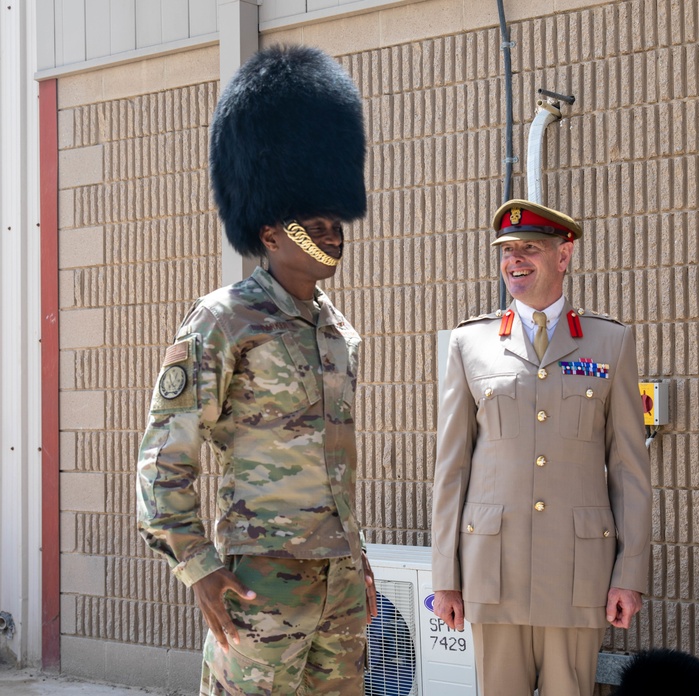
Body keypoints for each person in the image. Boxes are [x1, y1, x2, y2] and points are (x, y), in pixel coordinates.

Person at [136, 44, 376, 695]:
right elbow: (162, 461)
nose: (333, 232)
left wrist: (360, 563)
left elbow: (336, 467)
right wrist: (199, 570)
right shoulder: (224, 320)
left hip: (341, 590)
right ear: (269, 233)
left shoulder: (335, 330)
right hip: (259, 583)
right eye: (314, 222)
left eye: (337, 220)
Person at [431, 199, 653, 696]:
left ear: (564, 254)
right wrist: (445, 575)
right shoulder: (471, 343)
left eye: (529, 249)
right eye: (507, 251)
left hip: (577, 574)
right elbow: (452, 468)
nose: (515, 261)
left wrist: (629, 573)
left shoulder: (608, 341)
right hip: (493, 569)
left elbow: (629, 469)